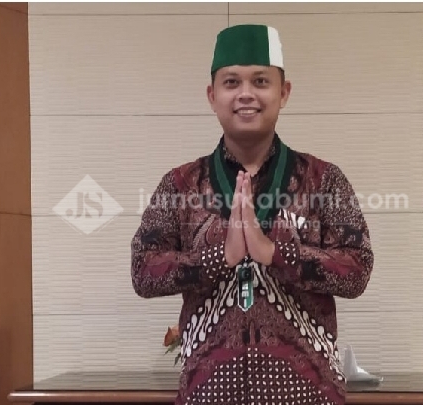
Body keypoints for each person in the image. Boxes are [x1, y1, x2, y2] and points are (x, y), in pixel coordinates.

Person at [131, 24, 374, 405]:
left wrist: (275, 252)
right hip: (206, 397)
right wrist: (220, 256)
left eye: (260, 81)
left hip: (309, 398)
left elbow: (357, 269)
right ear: (212, 96)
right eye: (231, 82)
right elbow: (143, 271)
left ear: (284, 92)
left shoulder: (324, 179)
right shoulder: (179, 185)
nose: (246, 94)